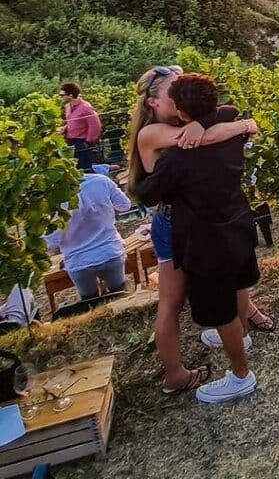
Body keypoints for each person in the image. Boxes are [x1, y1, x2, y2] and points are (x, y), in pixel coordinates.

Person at [126, 65, 267, 396]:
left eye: (180, 93)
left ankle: (235, 341)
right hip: (176, 219)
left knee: (222, 286)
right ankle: (175, 372)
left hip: (200, 221)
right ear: (152, 104)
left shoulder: (188, 121)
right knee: (172, 302)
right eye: (170, 94)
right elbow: (206, 136)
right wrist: (241, 125)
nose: (176, 100)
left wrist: (223, 122)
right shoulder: (152, 133)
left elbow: (209, 126)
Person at [44, 170, 132, 300]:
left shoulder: (51, 199)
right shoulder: (101, 180)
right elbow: (125, 205)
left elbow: (51, 244)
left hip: (78, 262)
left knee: (90, 304)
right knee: (120, 296)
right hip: (110, 251)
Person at [58, 82, 101, 171]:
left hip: (82, 142)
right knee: (74, 168)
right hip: (70, 141)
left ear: (70, 95)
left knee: (85, 168)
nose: (60, 97)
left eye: (62, 95)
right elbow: (73, 122)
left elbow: (95, 126)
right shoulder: (68, 106)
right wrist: (65, 128)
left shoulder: (86, 108)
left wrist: (88, 141)